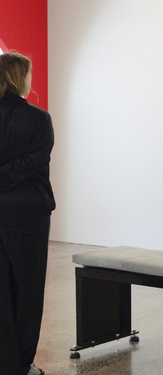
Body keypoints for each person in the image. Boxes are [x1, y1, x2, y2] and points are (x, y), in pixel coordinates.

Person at [0, 52, 55, 375]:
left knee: (2, 291)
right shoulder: (38, 118)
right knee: (28, 290)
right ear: (21, 78)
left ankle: (5, 363)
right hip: (28, 214)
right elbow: (33, 163)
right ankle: (21, 364)